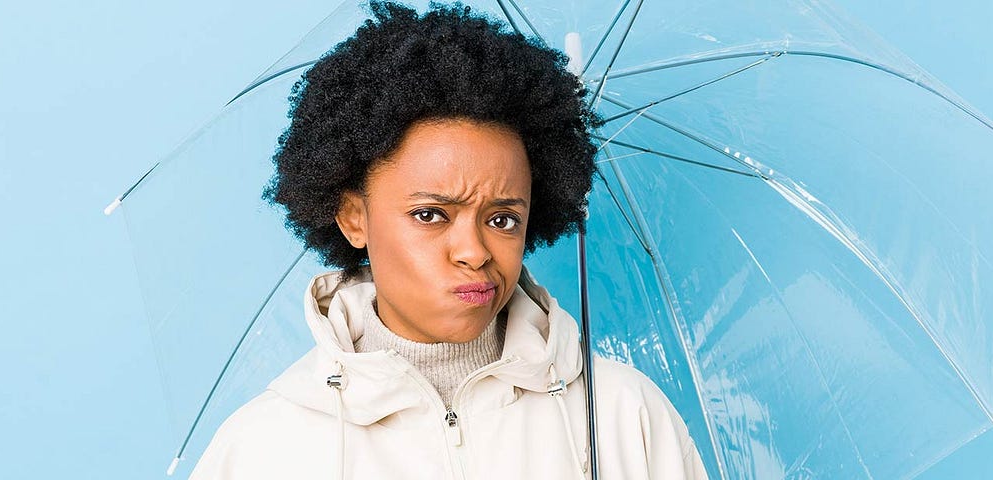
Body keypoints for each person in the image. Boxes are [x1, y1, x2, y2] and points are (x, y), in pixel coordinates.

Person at [189, 2, 711, 479]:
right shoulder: (263, 448)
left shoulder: (621, 415)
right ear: (353, 217)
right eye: (431, 214)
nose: (476, 251)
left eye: (503, 219)